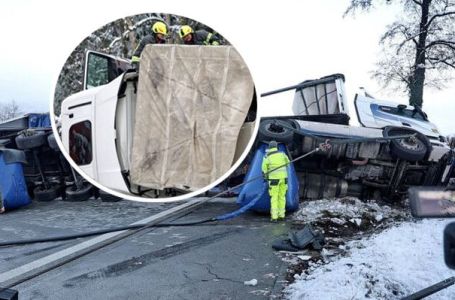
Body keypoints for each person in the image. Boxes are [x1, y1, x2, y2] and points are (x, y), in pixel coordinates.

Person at [261, 141, 290, 222]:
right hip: (284, 179)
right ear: (276, 147)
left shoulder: (267, 157)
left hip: (274, 181)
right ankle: (282, 215)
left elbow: (264, 170)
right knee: (282, 197)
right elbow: (288, 164)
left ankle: (274, 217)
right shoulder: (282, 154)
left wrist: (265, 178)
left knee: (274, 198)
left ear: (269, 147)